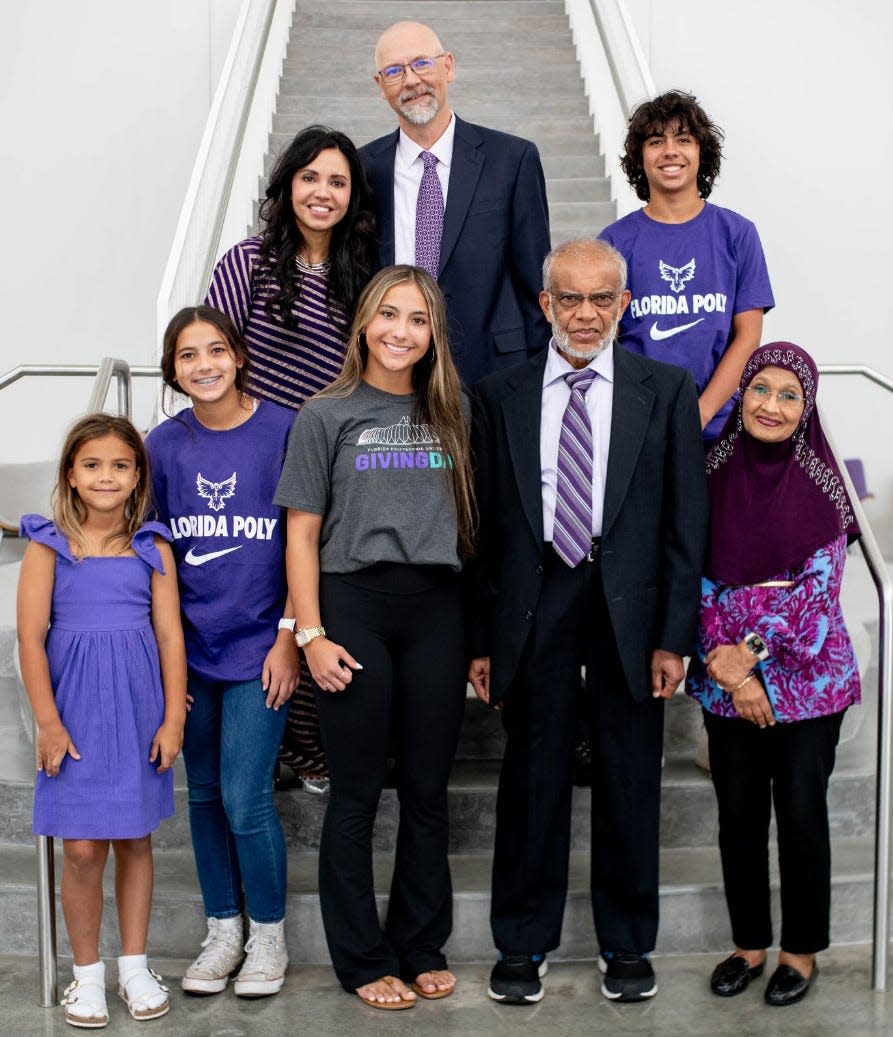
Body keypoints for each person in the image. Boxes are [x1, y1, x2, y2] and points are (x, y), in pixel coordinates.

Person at [468, 238, 708, 1005]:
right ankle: (521, 940)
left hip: (627, 602)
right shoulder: (498, 393)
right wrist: (481, 638)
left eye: (601, 298)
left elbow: (683, 523)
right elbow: (482, 531)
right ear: (544, 305)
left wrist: (674, 634)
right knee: (531, 773)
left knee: (630, 773)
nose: (584, 312)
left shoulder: (663, 389)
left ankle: (627, 941)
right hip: (536, 595)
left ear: (623, 305)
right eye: (568, 297)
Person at [274, 265, 475, 1010]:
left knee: (427, 792)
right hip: (351, 605)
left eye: (417, 319)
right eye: (387, 314)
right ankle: (360, 956)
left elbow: (472, 532)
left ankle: (421, 940)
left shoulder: (452, 412)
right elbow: (298, 537)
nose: (400, 330)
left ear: (433, 334)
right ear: (363, 323)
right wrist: (310, 634)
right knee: (356, 794)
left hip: (436, 611)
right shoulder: (324, 414)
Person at [686, 341, 861, 1006]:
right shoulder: (709, 473)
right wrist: (725, 666)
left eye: (789, 395)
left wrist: (749, 654)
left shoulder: (824, 483)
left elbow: (815, 595)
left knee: (799, 814)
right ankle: (748, 943)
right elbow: (691, 575)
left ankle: (798, 950)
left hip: (808, 680)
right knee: (736, 815)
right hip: (722, 673)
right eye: (760, 389)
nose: (771, 405)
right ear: (741, 395)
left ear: (805, 406)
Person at [206, 124, 376, 792]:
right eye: (310, 177)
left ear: (352, 195)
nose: (322, 193)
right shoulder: (244, 263)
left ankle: (310, 747)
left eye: (337, 181)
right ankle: (258, 739)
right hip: (249, 466)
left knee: (313, 603)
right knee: (255, 602)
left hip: (330, 468)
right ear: (287, 185)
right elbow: (215, 361)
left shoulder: (363, 275)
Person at [146, 306, 300, 999]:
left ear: (238, 356)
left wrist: (291, 635)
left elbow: (306, 540)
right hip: (189, 648)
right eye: (187, 354)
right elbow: (153, 558)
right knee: (202, 794)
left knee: (244, 796)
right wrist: (161, 658)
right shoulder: (162, 445)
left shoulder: (283, 430)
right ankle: (223, 928)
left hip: (259, 647)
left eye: (214, 350)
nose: (202, 364)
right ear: (173, 369)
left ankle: (268, 931)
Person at [17, 414, 186, 1027]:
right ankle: (85, 975)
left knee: (133, 838)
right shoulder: (48, 544)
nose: (106, 476)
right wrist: (48, 722)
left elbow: (170, 637)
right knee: (83, 848)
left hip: (138, 708)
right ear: (71, 473)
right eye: (92, 465)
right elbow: (32, 641)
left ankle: (134, 966)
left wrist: (172, 720)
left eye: (120, 464)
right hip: (74, 710)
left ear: (137, 473)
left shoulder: (151, 546)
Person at [359, 20, 552, 386]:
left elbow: (536, 285)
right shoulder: (364, 169)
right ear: (380, 86)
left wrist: (535, 378)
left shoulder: (513, 159)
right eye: (395, 71)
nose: (412, 81)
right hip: (393, 372)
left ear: (448, 66)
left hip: (493, 373)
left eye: (422, 63)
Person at [599, 90, 774, 444]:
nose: (670, 151)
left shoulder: (738, 234)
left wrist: (701, 413)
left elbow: (748, 336)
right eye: (655, 141)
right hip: (642, 428)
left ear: (701, 152)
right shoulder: (614, 241)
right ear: (640, 157)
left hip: (721, 428)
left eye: (684, 139)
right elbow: (607, 343)